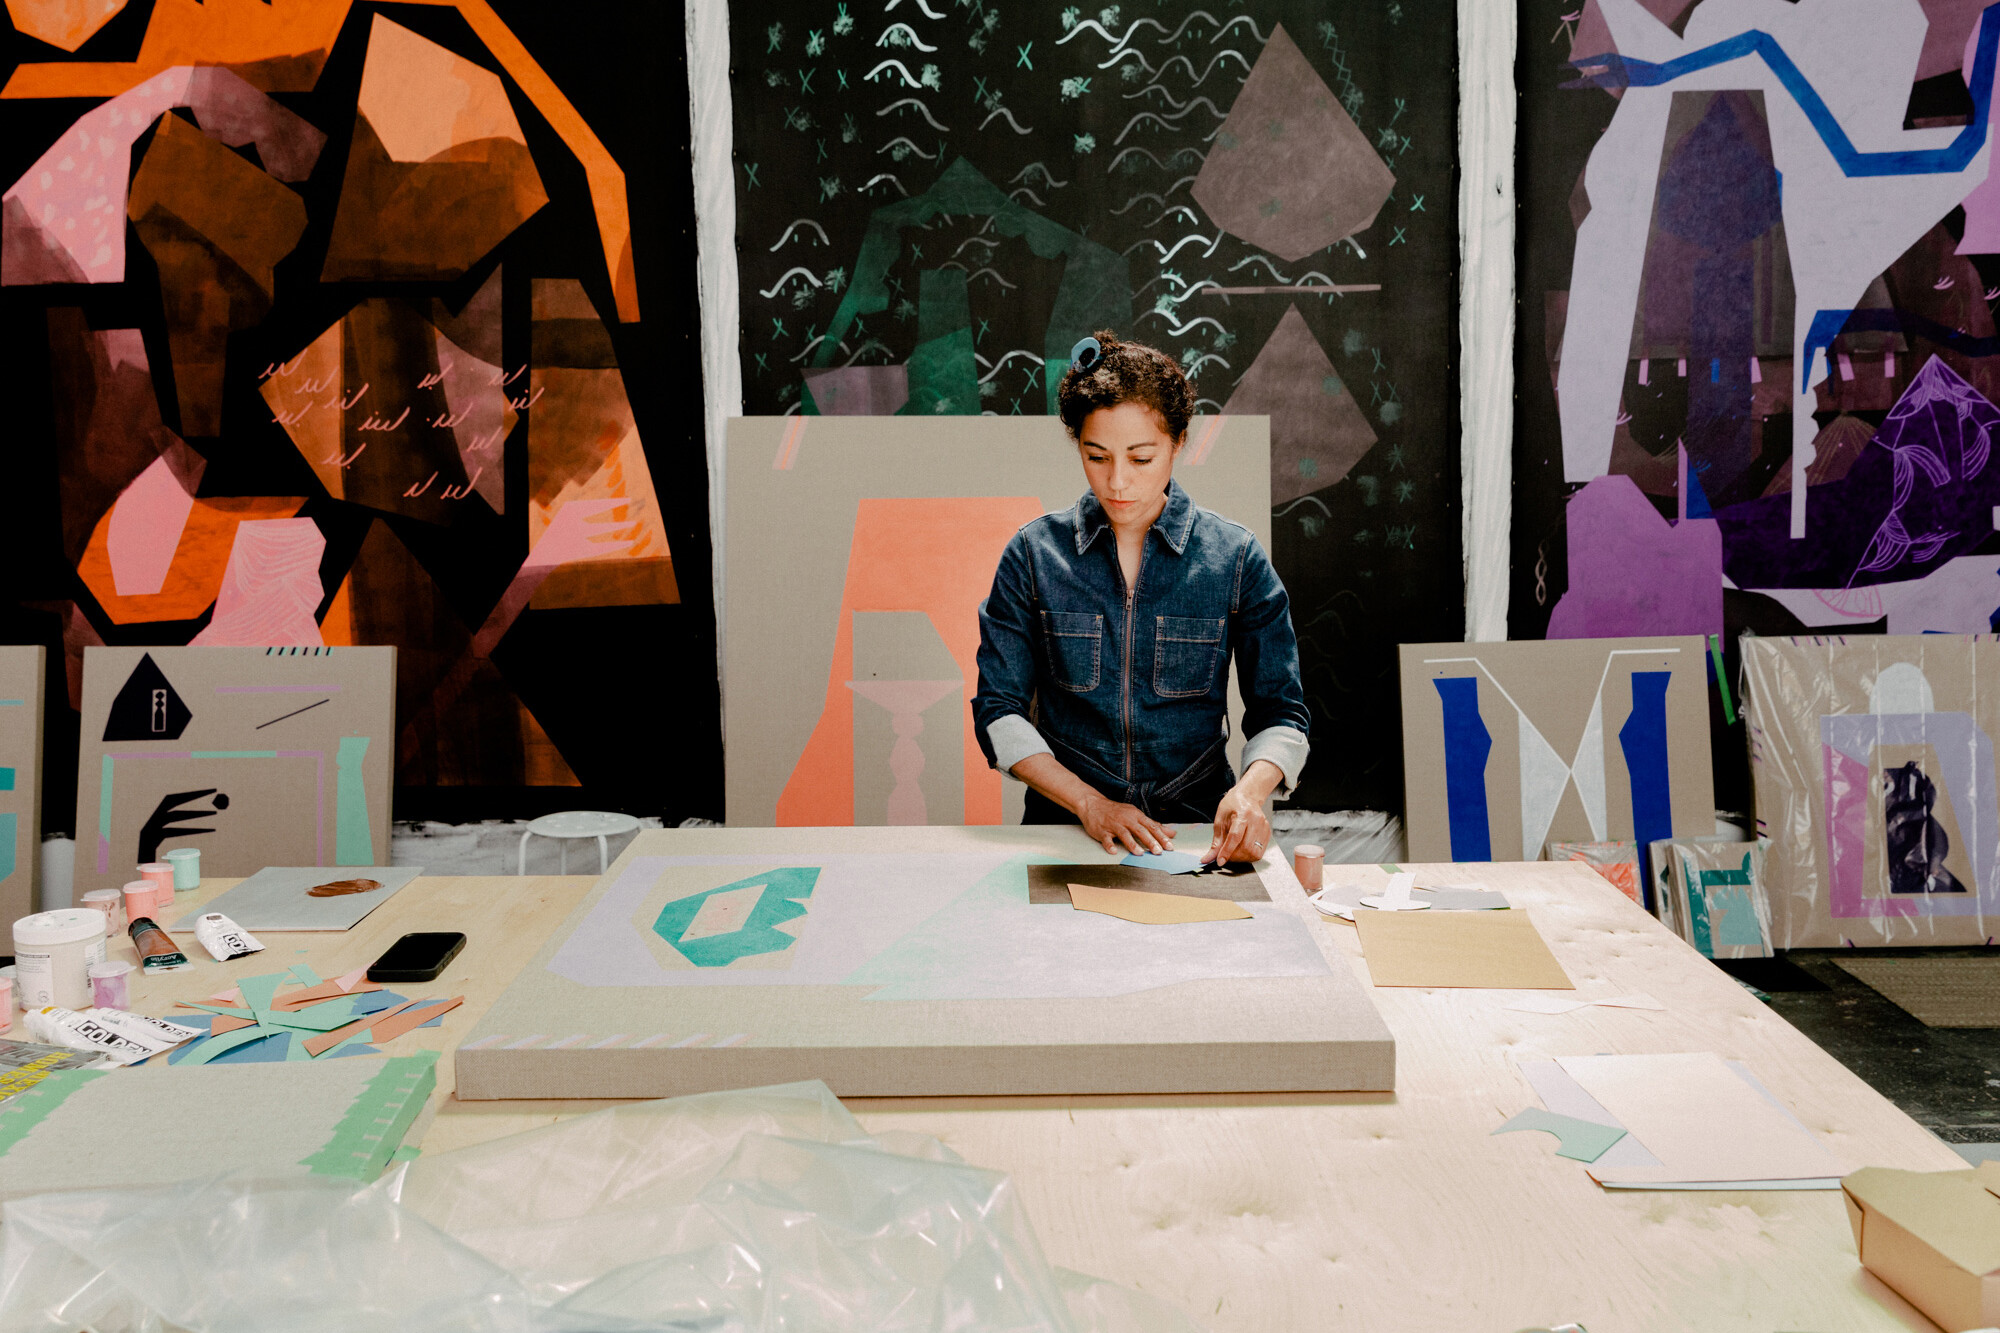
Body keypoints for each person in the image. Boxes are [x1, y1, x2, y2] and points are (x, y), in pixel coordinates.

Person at [972, 331, 1310, 865]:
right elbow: (998, 712)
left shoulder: (1235, 558)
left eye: (1141, 457)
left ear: (1178, 443)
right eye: (1097, 456)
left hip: (1195, 829)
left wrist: (1247, 793)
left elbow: (1282, 713)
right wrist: (1089, 803)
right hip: (1065, 826)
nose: (1118, 481)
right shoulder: (1034, 555)